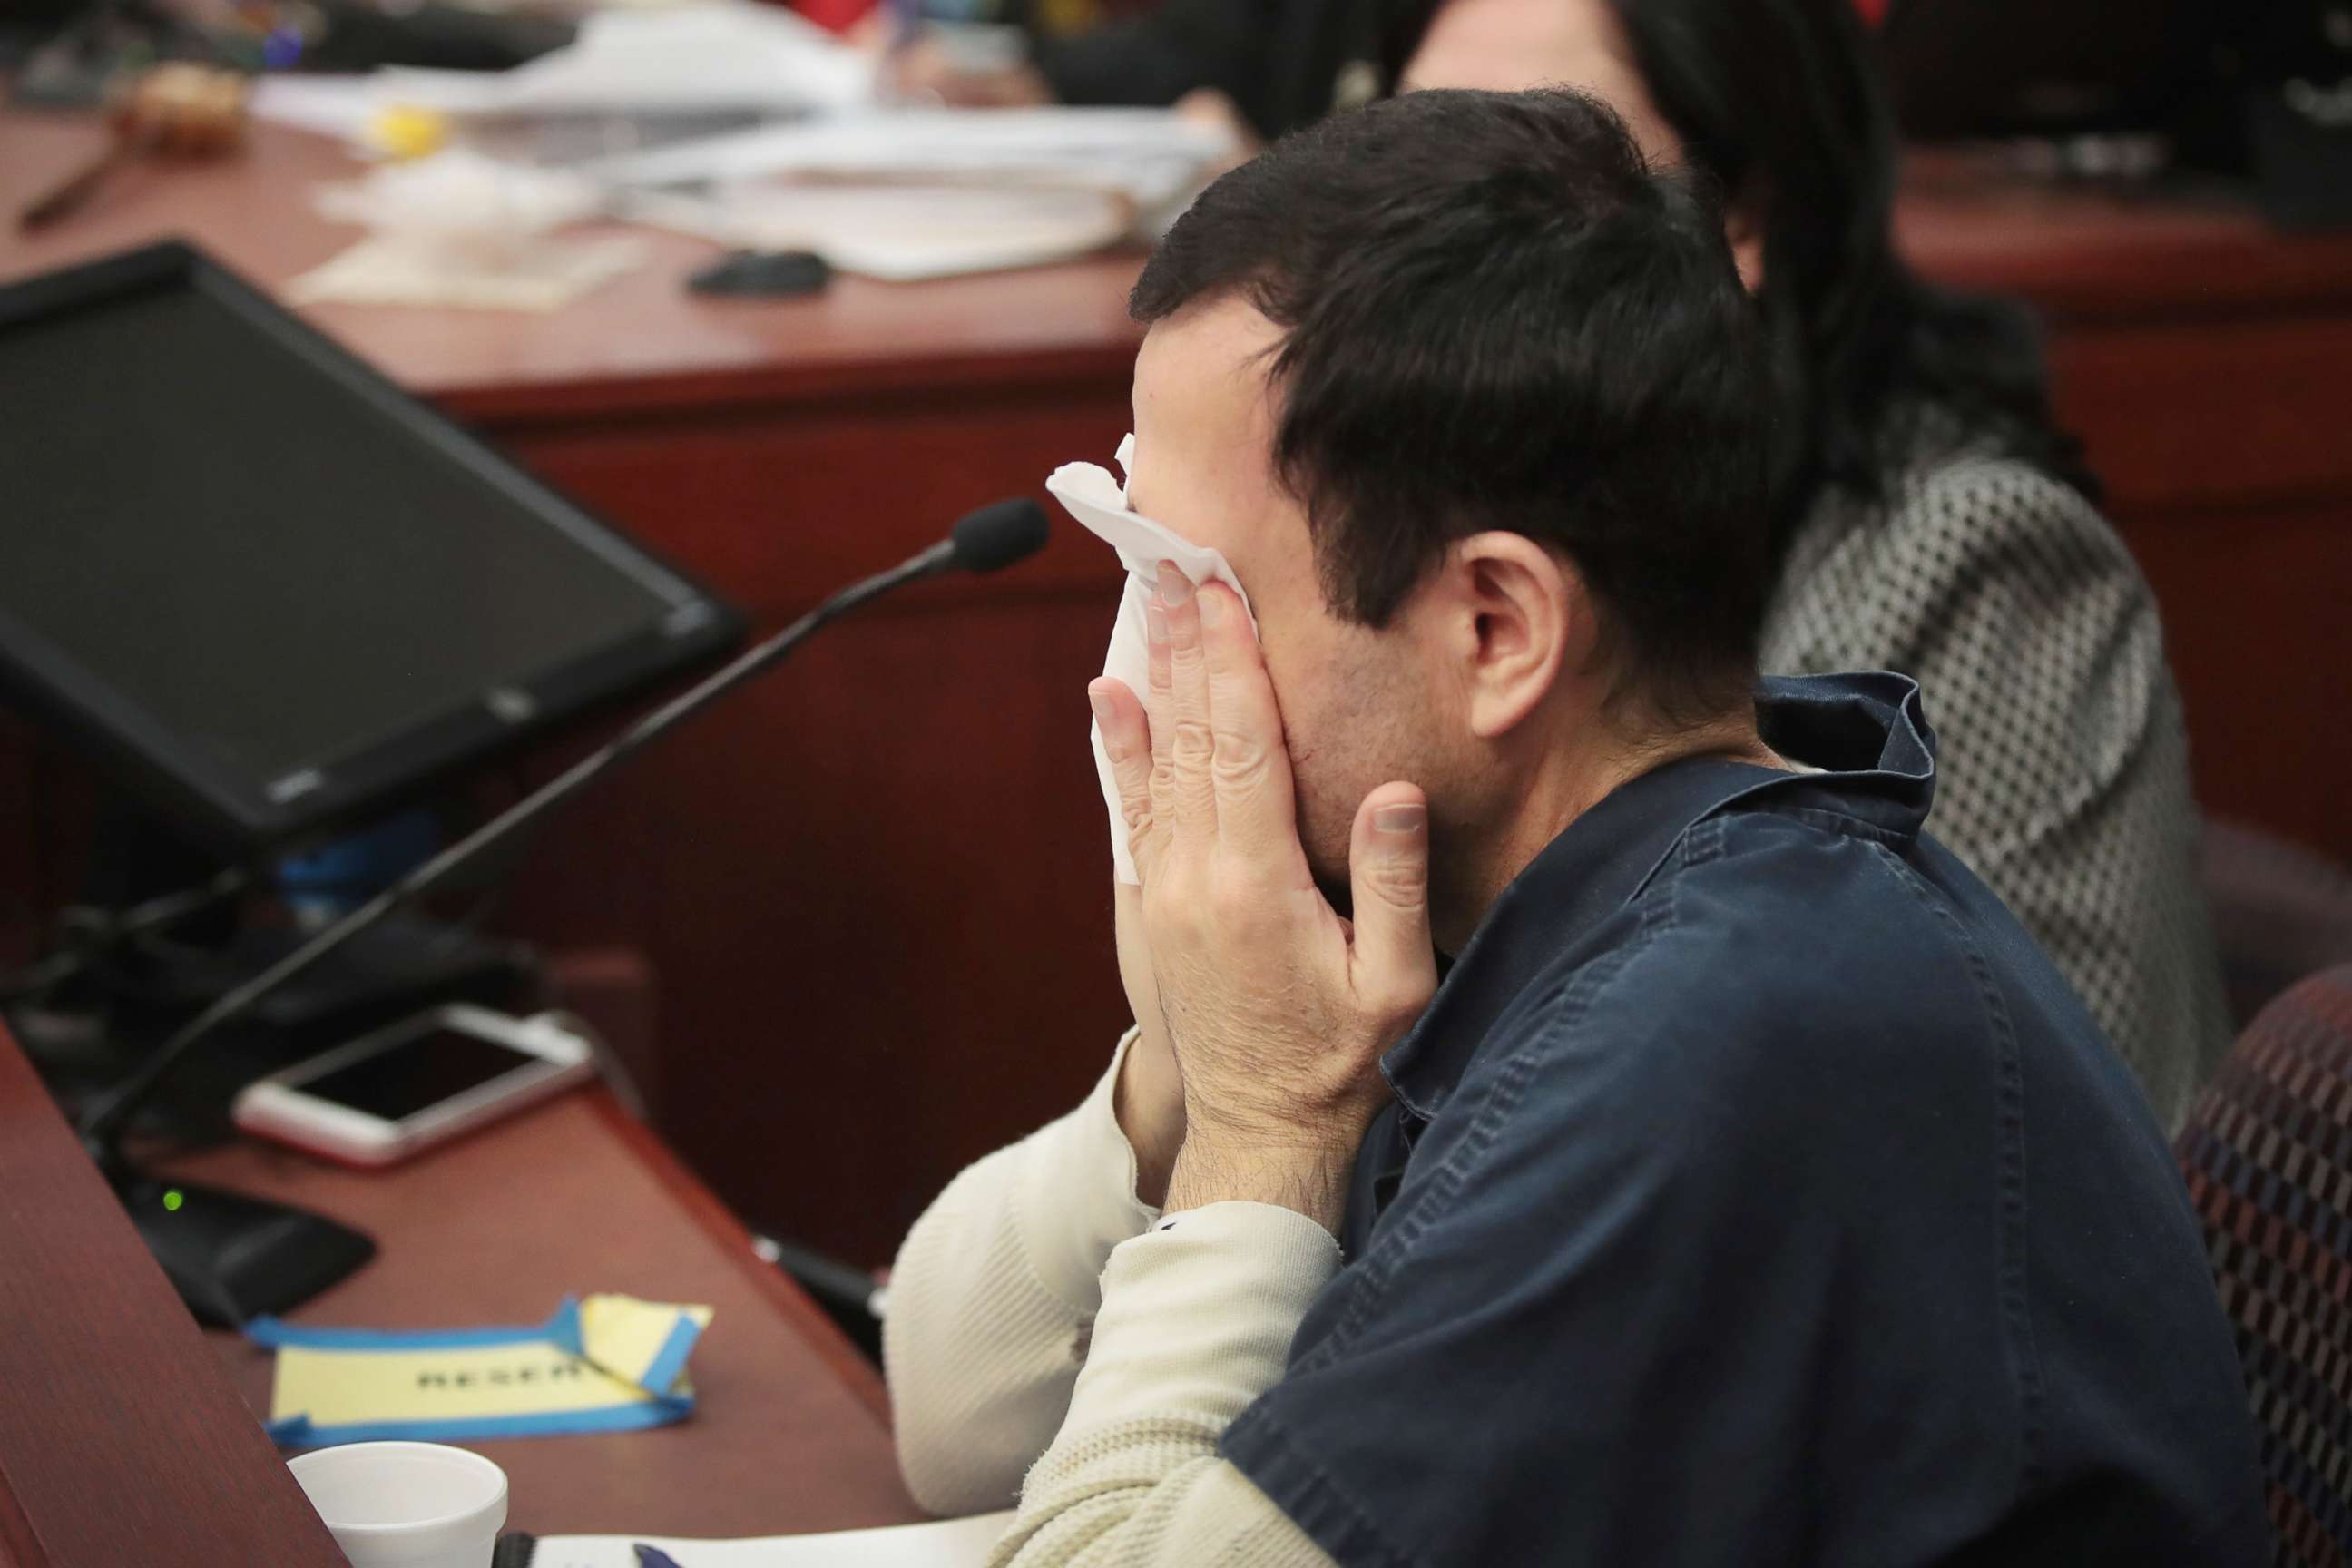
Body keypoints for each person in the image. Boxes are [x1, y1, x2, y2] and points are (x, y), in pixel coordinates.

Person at [885, 88, 2265, 1566]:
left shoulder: (1725, 1030)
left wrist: (1265, 1125)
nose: (1142, 670)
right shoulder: (1517, 904)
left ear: (1493, 627)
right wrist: (1180, 1070)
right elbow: (951, 1417)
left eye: (1184, 586)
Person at [1393, 0, 2230, 1124]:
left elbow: (2000, 1151)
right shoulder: (1416, 541)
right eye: (1403, 170)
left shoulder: (1966, 564)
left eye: (1503, 187)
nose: (1408, 261)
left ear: (1734, 218)